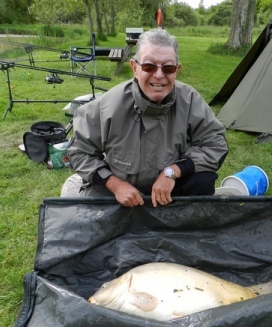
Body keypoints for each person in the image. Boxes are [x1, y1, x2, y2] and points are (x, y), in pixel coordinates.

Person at [67, 28, 228, 207]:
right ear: (134, 68)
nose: (159, 75)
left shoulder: (190, 100)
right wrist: (116, 185)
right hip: (121, 192)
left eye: (168, 68)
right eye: (149, 66)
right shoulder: (107, 106)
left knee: (203, 180)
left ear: (177, 70)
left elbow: (216, 144)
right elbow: (79, 151)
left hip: (170, 188)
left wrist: (172, 172)